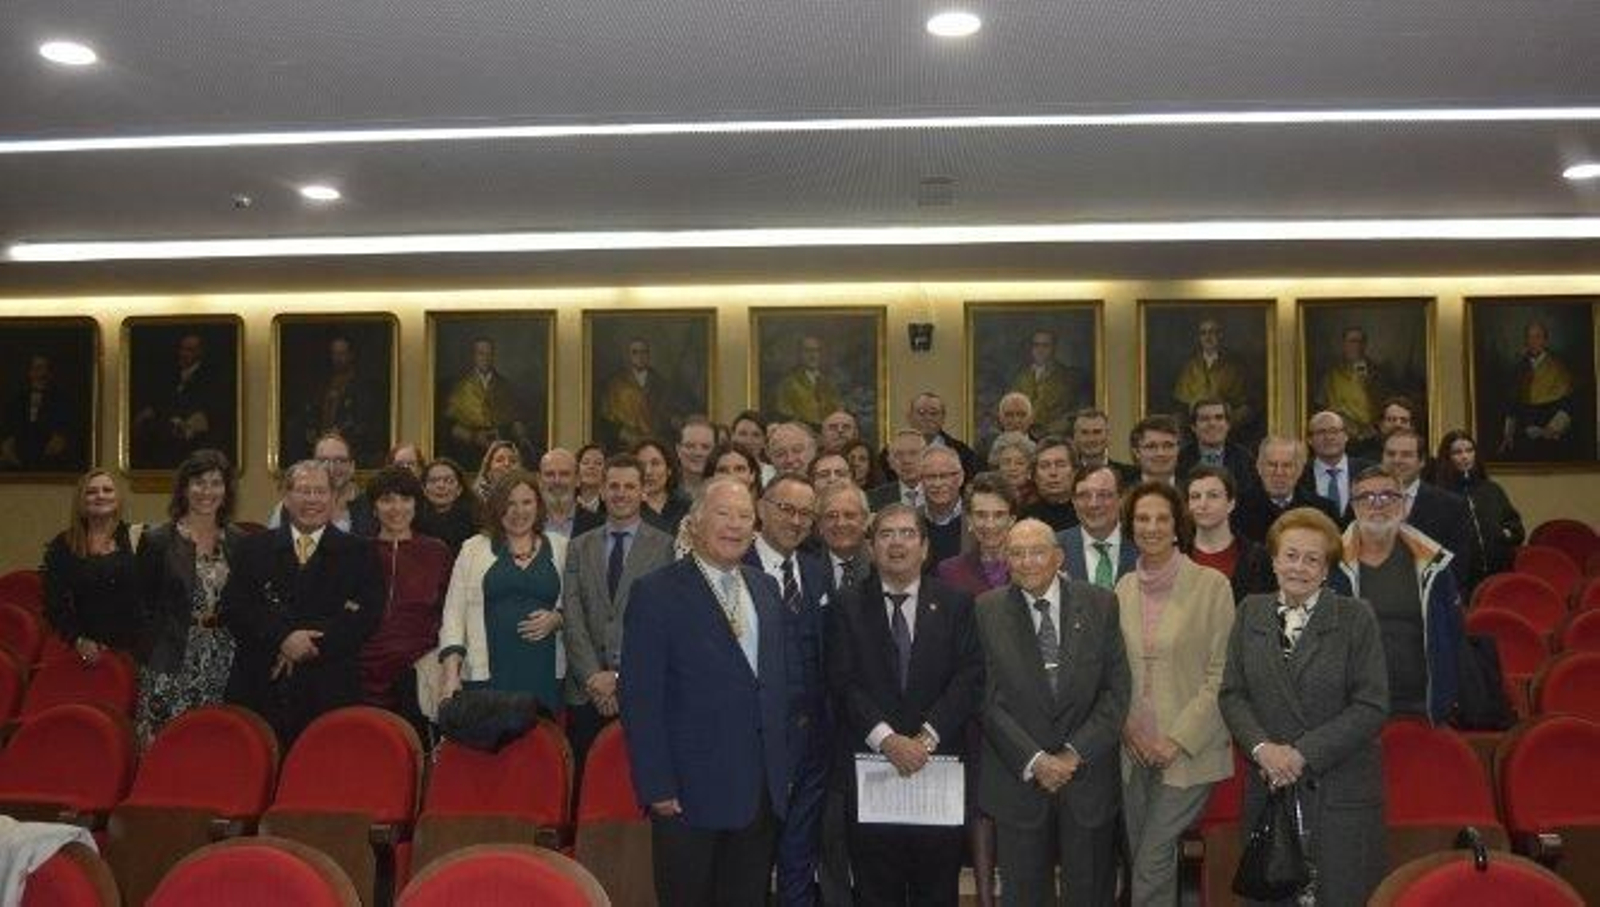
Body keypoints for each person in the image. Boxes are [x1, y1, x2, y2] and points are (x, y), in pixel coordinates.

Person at [620, 476, 792, 906]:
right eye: (723, 513)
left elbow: (775, 686)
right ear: (694, 523)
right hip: (688, 794)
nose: (734, 525)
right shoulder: (656, 593)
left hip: (760, 793)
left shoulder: (765, 588)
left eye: (744, 516)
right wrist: (656, 785)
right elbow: (641, 700)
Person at [1219, 507, 1389, 907]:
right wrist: (1263, 749)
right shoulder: (1249, 612)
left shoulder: (1355, 617)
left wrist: (1301, 754)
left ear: (1327, 568)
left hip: (1338, 790)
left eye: (1313, 559)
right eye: (1291, 555)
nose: (1299, 567)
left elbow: (1371, 705)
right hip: (1270, 787)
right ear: (1274, 559)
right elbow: (1232, 693)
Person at [827, 503, 983, 907]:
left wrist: (925, 739)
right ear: (871, 546)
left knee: (938, 891)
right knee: (876, 891)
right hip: (870, 770)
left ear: (926, 547)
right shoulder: (845, 606)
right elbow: (842, 683)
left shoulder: (956, 604)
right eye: (886, 534)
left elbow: (969, 679)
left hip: (937, 770)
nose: (897, 543)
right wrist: (888, 740)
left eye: (907, 533)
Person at [975, 519, 1131, 906]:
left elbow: (1116, 692)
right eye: (1017, 553)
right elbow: (985, 700)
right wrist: (1036, 759)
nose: (1027, 562)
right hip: (1019, 780)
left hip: (1088, 780)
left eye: (1037, 551)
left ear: (1059, 556)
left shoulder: (1100, 603)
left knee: (1091, 894)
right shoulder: (985, 610)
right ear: (1007, 560)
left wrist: (1071, 755)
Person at [1114, 482, 1235, 907]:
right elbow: (1112, 673)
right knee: (1143, 857)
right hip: (1133, 750)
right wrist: (1128, 730)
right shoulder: (1123, 588)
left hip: (1188, 751)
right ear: (1130, 527)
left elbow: (1223, 673)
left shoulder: (1211, 586)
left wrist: (1177, 739)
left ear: (1177, 525)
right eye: (1142, 519)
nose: (1151, 527)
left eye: (1161, 518)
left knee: (1152, 859)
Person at [220, 460, 384, 744]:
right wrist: (283, 638)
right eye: (303, 491)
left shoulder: (360, 552)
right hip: (260, 687)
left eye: (320, 491)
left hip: (329, 689)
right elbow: (236, 608)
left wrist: (305, 646)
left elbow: (365, 617)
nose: (312, 500)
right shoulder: (253, 548)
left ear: (334, 498)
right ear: (285, 495)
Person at [746, 475, 831, 907]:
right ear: (761, 509)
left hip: (813, 746)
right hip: (755, 746)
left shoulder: (817, 573)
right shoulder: (734, 568)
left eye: (805, 514)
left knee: (800, 860)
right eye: (786, 509)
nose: (796, 521)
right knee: (751, 865)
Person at [562, 454, 674, 766]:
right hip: (586, 691)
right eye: (613, 486)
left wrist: (619, 676)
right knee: (587, 786)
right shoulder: (578, 547)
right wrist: (594, 675)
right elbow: (572, 616)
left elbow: (663, 623)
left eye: (629, 486)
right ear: (602, 489)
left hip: (642, 685)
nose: (620, 493)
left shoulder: (665, 547)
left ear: (643, 492)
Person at [1330, 467, 1463, 723]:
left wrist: (1446, 697)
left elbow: (1453, 635)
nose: (1377, 505)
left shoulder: (1434, 562)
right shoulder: (1329, 564)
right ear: (1354, 507)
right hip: (1351, 707)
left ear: (1403, 505)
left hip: (1422, 703)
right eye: (1366, 497)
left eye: (1388, 496)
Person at [437, 469, 570, 716]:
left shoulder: (561, 548)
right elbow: (453, 615)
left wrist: (558, 618)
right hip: (487, 672)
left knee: (542, 746)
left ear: (538, 505)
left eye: (526, 502)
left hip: (545, 671)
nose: (519, 512)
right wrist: (450, 676)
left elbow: (578, 606)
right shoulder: (473, 549)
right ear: (496, 508)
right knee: (491, 746)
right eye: (509, 503)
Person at [135, 449, 244, 744]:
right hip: (169, 658)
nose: (207, 491)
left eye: (215, 483)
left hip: (223, 657)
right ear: (184, 487)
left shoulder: (239, 541)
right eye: (198, 482)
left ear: (226, 490)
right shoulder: (158, 540)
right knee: (163, 743)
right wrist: (152, 651)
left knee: (210, 743)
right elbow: (141, 605)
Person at [359, 466, 451, 739]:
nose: (396, 507)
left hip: (419, 673)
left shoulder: (438, 551)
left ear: (416, 504)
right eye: (387, 499)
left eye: (405, 499)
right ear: (374, 507)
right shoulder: (357, 552)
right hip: (362, 673)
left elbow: (450, 615)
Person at [43, 469, 142, 663]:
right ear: (81, 500)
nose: (100, 496)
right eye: (91, 491)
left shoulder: (139, 538)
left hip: (137, 650)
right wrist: (79, 640)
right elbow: (55, 605)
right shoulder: (63, 545)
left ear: (118, 498)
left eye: (107, 490)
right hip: (88, 652)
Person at [1382, 428, 1476, 592]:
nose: (1397, 460)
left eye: (1406, 455)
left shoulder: (1451, 505)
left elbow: (1458, 567)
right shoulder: (1363, 500)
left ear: (1422, 461)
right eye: (1390, 454)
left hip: (1430, 601)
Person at [1428, 429, 1525, 582]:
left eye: (1469, 450)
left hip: (1499, 573)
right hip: (1460, 579)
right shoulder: (1439, 496)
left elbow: (1517, 529)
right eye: (1457, 452)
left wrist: (1502, 534)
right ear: (1447, 457)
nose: (1465, 456)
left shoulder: (1492, 489)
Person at [131, 332, 230, 468]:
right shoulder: (171, 375)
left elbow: (205, 412)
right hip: (166, 436)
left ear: (199, 353)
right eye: (182, 349)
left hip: (192, 442)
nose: (183, 354)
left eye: (189, 350)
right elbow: (162, 401)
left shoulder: (209, 379)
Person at [1186, 466, 1275, 603]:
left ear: (1231, 504)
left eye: (1213, 496)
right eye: (1195, 497)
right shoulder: (1175, 554)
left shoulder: (1258, 558)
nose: (1202, 504)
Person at [441, 336, 533, 467]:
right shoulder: (459, 386)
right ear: (473, 356)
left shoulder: (505, 386)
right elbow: (449, 425)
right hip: (469, 452)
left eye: (489, 354)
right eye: (481, 353)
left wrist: (522, 437)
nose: (485, 358)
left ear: (494, 357)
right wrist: (473, 437)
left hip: (501, 450)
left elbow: (515, 418)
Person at [1233, 436, 1340, 544]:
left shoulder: (1324, 510)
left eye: (1287, 466)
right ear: (1259, 467)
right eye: (1272, 465)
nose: (1279, 472)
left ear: (1299, 470)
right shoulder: (1235, 507)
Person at [268, 431, 376, 536]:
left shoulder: (372, 507)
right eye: (323, 460)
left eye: (340, 460)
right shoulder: (289, 507)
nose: (331, 468)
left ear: (352, 467)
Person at [1500, 319, 1578, 460]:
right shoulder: (1518, 368)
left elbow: (1568, 405)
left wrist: (1546, 431)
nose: (1533, 341)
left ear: (1545, 341)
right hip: (1522, 436)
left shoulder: (1558, 368)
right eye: (1529, 337)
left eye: (1537, 337)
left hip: (1551, 437)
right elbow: (1512, 404)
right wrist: (1508, 433)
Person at [295, 335, 379, 465]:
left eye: (342, 353)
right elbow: (312, 414)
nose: (338, 358)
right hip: (320, 450)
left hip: (351, 450)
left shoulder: (362, 386)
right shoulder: (323, 385)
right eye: (334, 353)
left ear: (351, 355)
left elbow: (366, 423)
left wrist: (343, 433)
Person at [1316, 326, 1390, 460]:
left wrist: (1367, 383)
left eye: (1360, 341)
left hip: (1371, 439)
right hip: (1342, 439)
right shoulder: (1332, 375)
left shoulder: (1377, 373)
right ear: (1344, 344)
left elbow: (1385, 404)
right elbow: (1321, 406)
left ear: (1365, 345)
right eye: (1352, 341)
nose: (1356, 346)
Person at [937, 472, 1017, 597]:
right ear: (969, 519)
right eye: (981, 515)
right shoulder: (950, 571)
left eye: (999, 515)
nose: (990, 525)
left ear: (1012, 520)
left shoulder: (1028, 565)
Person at [1059, 465, 1137, 587]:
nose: (1093, 504)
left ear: (1121, 498)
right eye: (1084, 495)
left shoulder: (1142, 544)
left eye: (1103, 495)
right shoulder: (1054, 547)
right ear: (1073, 501)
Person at [1171, 318, 1253, 431]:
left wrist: (1226, 424)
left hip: (1225, 429)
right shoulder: (1190, 367)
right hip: (1195, 428)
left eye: (1212, 332)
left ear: (1220, 335)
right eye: (1203, 333)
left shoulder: (1234, 367)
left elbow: (1245, 407)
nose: (1208, 337)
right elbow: (1181, 404)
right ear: (1199, 338)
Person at [600, 338, 681, 449]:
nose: (640, 356)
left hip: (654, 442)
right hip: (625, 443)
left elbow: (667, 411)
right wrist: (623, 433)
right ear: (629, 356)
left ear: (649, 355)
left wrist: (673, 419)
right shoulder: (616, 383)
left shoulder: (661, 383)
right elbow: (607, 417)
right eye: (635, 352)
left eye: (644, 352)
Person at [1008, 330, 1090, 437]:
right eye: (1036, 345)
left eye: (1045, 345)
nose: (1040, 350)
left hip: (1055, 439)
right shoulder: (1021, 378)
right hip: (1024, 439)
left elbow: (1075, 413)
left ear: (1054, 348)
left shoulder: (1069, 376)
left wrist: (1051, 430)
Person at [0, 353, 74, 471]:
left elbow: (65, 429)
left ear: (50, 374)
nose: (42, 373)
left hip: (48, 454)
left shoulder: (60, 400)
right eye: (38, 368)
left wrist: (61, 439)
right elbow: (9, 428)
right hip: (19, 452)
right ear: (30, 372)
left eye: (46, 368)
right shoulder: (17, 400)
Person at [1298, 410, 1372, 526]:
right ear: (1310, 440)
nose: (1329, 437)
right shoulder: (1298, 474)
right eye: (1321, 432)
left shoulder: (1369, 471)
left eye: (1334, 431)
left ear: (1346, 436)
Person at [1177, 398, 1258, 495]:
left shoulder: (1245, 459)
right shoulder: (1179, 459)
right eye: (1205, 419)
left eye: (1219, 418)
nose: (1212, 423)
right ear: (1193, 427)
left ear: (1228, 425)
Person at [899, 391, 979, 480]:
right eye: (921, 413)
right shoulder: (893, 453)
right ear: (910, 417)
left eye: (934, 413)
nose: (927, 418)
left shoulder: (963, 453)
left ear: (943, 418)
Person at [773, 335, 844, 429]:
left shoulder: (829, 384)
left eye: (816, 350)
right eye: (807, 351)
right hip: (800, 436)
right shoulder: (788, 384)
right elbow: (784, 415)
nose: (813, 355)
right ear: (799, 354)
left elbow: (838, 411)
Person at [414, 457, 480, 556]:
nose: (441, 485)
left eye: (448, 481)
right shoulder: (413, 523)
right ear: (424, 489)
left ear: (459, 490)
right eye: (433, 481)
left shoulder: (475, 522)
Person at [817, 483, 871, 592]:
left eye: (849, 515)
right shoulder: (806, 569)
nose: (840, 523)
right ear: (820, 525)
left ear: (865, 521)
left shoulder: (883, 565)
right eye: (831, 516)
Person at [919, 446, 967, 568]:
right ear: (921, 481)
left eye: (945, 476)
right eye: (930, 477)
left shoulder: (976, 518)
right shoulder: (911, 520)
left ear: (960, 478)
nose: (937, 484)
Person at [634, 438, 691, 535]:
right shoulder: (627, 507)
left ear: (669, 470)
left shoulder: (686, 505)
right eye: (641, 465)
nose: (648, 471)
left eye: (655, 464)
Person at [1020, 436, 1077, 531]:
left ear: (1074, 472)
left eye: (1061, 465)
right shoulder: (1023, 519)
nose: (1053, 472)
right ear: (1034, 476)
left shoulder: (1088, 513)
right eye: (1044, 466)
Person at [867, 429, 925, 511]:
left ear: (927, 458)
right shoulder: (872, 499)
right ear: (890, 463)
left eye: (913, 453)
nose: (906, 460)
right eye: (899, 454)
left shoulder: (940, 494)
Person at [1070, 408, 1131, 476]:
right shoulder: (1069, 475)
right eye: (1085, 433)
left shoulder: (1129, 475)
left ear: (1108, 436)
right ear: (1075, 437)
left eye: (1097, 432)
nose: (1091, 439)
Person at [986, 431, 1037, 508]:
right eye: (1006, 462)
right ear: (998, 467)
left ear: (1029, 469)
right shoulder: (987, 495)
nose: (1012, 468)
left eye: (1020, 463)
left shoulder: (1038, 497)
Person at [1128, 415, 1182, 487]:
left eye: (1168, 446)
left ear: (1178, 449)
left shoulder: (1192, 490)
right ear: (1137, 452)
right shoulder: (1123, 492)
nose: (1160, 453)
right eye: (1151, 446)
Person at [538, 448, 580, 538]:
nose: (557, 481)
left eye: (564, 474)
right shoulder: (527, 523)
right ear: (540, 480)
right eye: (549, 474)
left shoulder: (599, 524)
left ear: (577, 480)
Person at [676, 416, 717, 499]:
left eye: (705, 447)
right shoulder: (665, 489)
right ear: (678, 450)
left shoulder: (723, 488)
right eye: (690, 446)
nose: (698, 453)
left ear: (715, 450)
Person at [575, 443, 607, 515]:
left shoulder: (610, 505)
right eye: (585, 463)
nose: (591, 467)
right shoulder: (567, 502)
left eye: (598, 463)